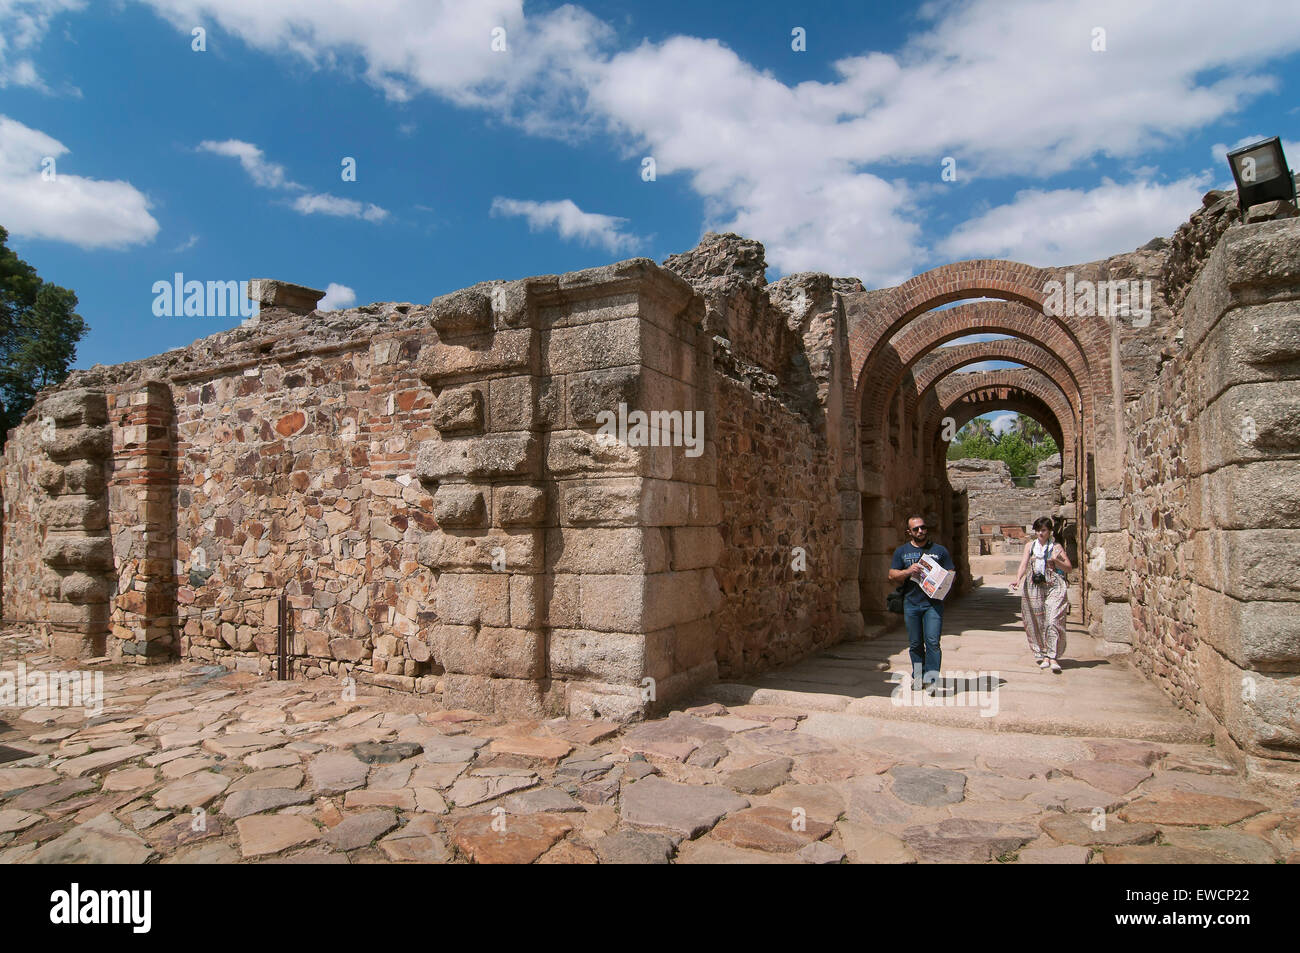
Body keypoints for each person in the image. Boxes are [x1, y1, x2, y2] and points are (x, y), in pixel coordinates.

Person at [889, 515, 956, 694]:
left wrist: (942, 580)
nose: (921, 531)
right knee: (915, 643)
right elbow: (891, 575)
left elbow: (951, 572)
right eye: (916, 529)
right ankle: (918, 676)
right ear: (909, 532)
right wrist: (908, 571)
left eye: (923, 528)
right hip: (911, 603)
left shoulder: (939, 551)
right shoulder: (901, 552)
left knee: (933, 642)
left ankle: (932, 679)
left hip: (933, 604)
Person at [1010, 516, 1072, 673]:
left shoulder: (1056, 547)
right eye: (1038, 530)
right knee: (1037, 620)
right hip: (1034, 585)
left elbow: (1069, 568)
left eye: (1043, 530)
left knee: (1052, 620)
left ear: (1049, 531)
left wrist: (1056, 561)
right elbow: (1024, 563)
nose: (1040, 533)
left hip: (1053, 585)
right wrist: (1018, 579)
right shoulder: (1030, 546)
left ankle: (1053, 656)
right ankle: (1045, 654)